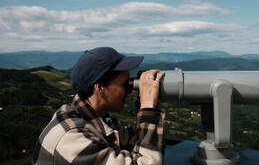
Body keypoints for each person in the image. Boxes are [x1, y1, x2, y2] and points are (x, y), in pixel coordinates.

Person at [32, 47, 165, 165]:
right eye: (125, 84)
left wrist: (145, 100)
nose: (130, 91)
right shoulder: (71, 138)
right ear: (100, 87)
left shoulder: (99, 121)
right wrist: (148, 108)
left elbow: (137, 142)